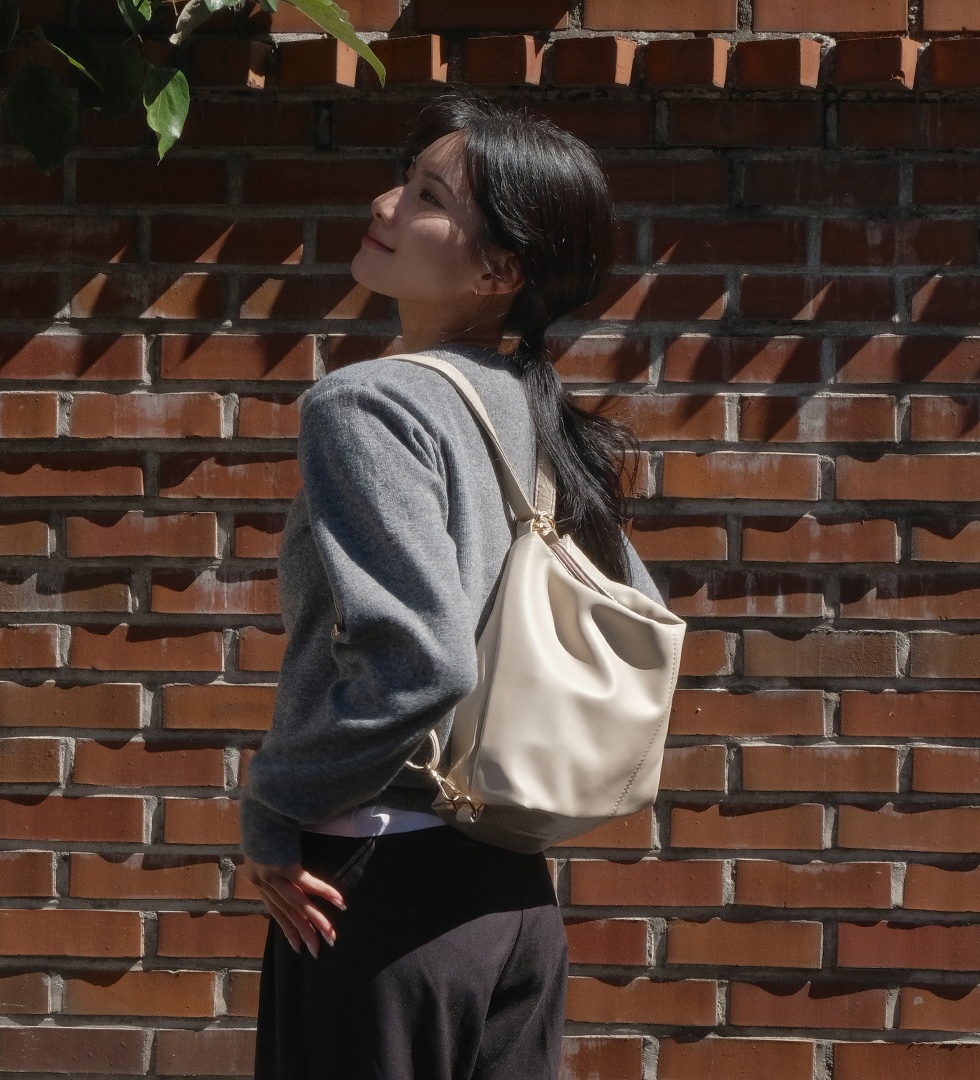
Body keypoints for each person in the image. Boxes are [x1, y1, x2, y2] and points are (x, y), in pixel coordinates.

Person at [239, 90, 664, 1080]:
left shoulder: (367, 402)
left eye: (428, 196)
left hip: (374, 898)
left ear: (497, 271)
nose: (385, 204)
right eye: (404, 179)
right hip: (513, 904)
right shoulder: (542, 415)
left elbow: (420, 660)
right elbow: (635, 615)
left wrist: (272, 806)